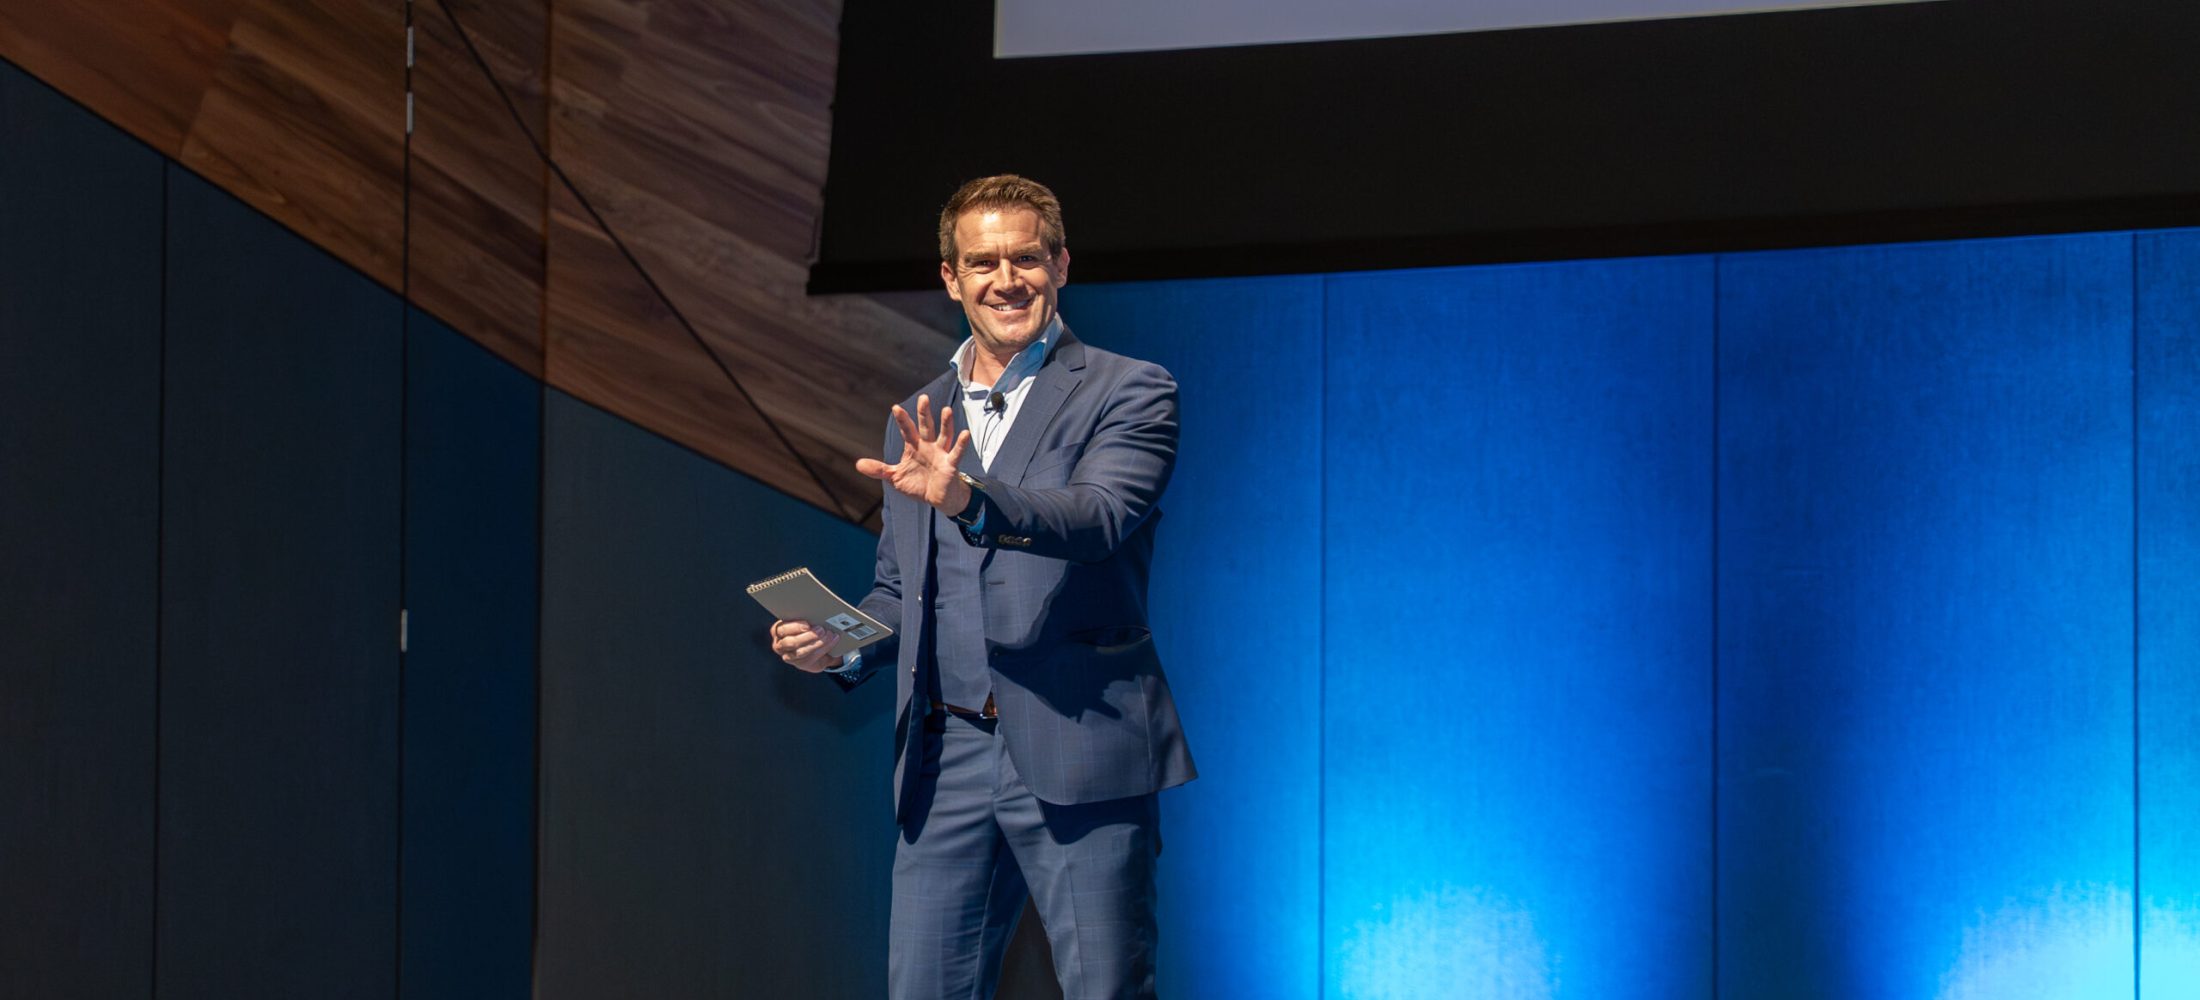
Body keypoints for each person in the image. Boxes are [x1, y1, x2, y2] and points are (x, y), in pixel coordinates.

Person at [769, 174, 1195, 998]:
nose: (1007, 280)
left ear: (1061, 265)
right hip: (947, 757)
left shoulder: (1130, 388)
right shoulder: (922, 415)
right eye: (983, 263)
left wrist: (968, 497)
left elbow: (1098, 516)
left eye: (1026, 258)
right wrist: (841, 640)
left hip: (1082, 744)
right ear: (951, 279)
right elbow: (902, 591)